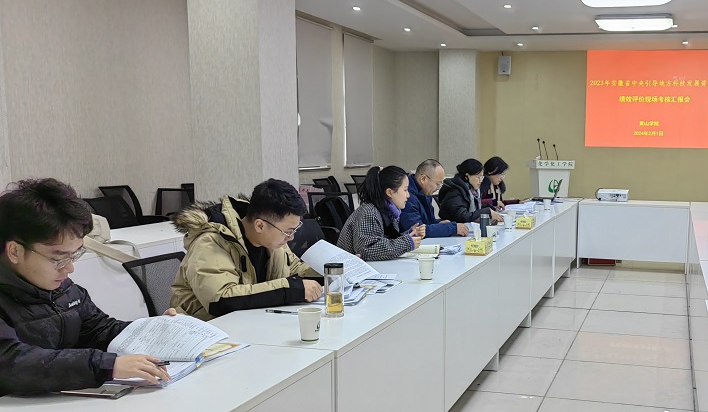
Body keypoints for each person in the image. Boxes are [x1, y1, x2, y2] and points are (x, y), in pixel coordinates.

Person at [0, 178, 174, 395]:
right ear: (15, 251)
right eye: (58, 258)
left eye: (75, 255)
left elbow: (99, 330)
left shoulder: (62, 289)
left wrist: (154, 329)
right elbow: (12, 363)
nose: (70, 268)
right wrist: (106, 365)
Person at [171, 179, 323, 321]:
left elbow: (294, 268)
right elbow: (221, 300)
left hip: (251, 323)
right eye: (288, 232)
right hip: (209, 329)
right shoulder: (211, 243)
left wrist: (329, 271)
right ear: (260, 226)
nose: (291, 238)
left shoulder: (272, 241)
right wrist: (289, 290)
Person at [337, 165, 426, 260]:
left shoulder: (388, 211)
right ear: (390, 192)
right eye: (405, 190)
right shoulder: (370, 212)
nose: (408, 195)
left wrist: (410, 234)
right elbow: (366, 251)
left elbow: (387, 241)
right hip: (351, 267)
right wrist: (407, 243)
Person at [400, 159, 469, 238]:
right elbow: (418, 230)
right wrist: (451, 228)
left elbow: (428, 222)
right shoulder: (408, 197)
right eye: (438, 183)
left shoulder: (424, 192)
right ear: (423, 179)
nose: (438, 188)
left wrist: (439, 224)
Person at [439, 158, 504, 224]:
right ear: (467, 176)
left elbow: (475, 208)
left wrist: (491, 208)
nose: (481, 181)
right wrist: (487, 211)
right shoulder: (455, 191)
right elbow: (462, 216)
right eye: (478, 177)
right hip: (453, 228)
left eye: (482, 177)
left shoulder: (472, 191)